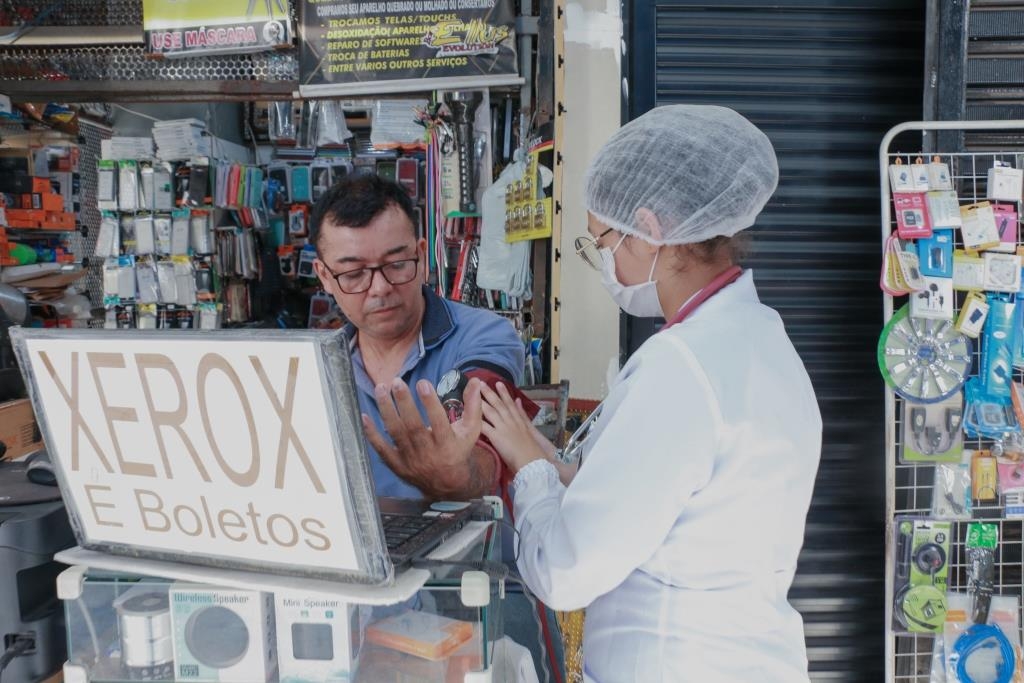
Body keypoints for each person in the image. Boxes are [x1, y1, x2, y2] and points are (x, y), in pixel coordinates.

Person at [477, 105, 823, 681]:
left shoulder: (682, 366)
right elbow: (653, 503)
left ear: (649, 229)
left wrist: (529, 471)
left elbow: (566, 572)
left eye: (601, 241)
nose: (603, 262)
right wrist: (546, 458)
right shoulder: (762, 341)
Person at [310, 174, 525, 500]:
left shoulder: (485, 336)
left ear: (422, 256)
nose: (380, 288)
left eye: (397, 264)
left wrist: (456, 474)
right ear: (324, 276)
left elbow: (486, 450)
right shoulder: (316, 368)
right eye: (353, 274)